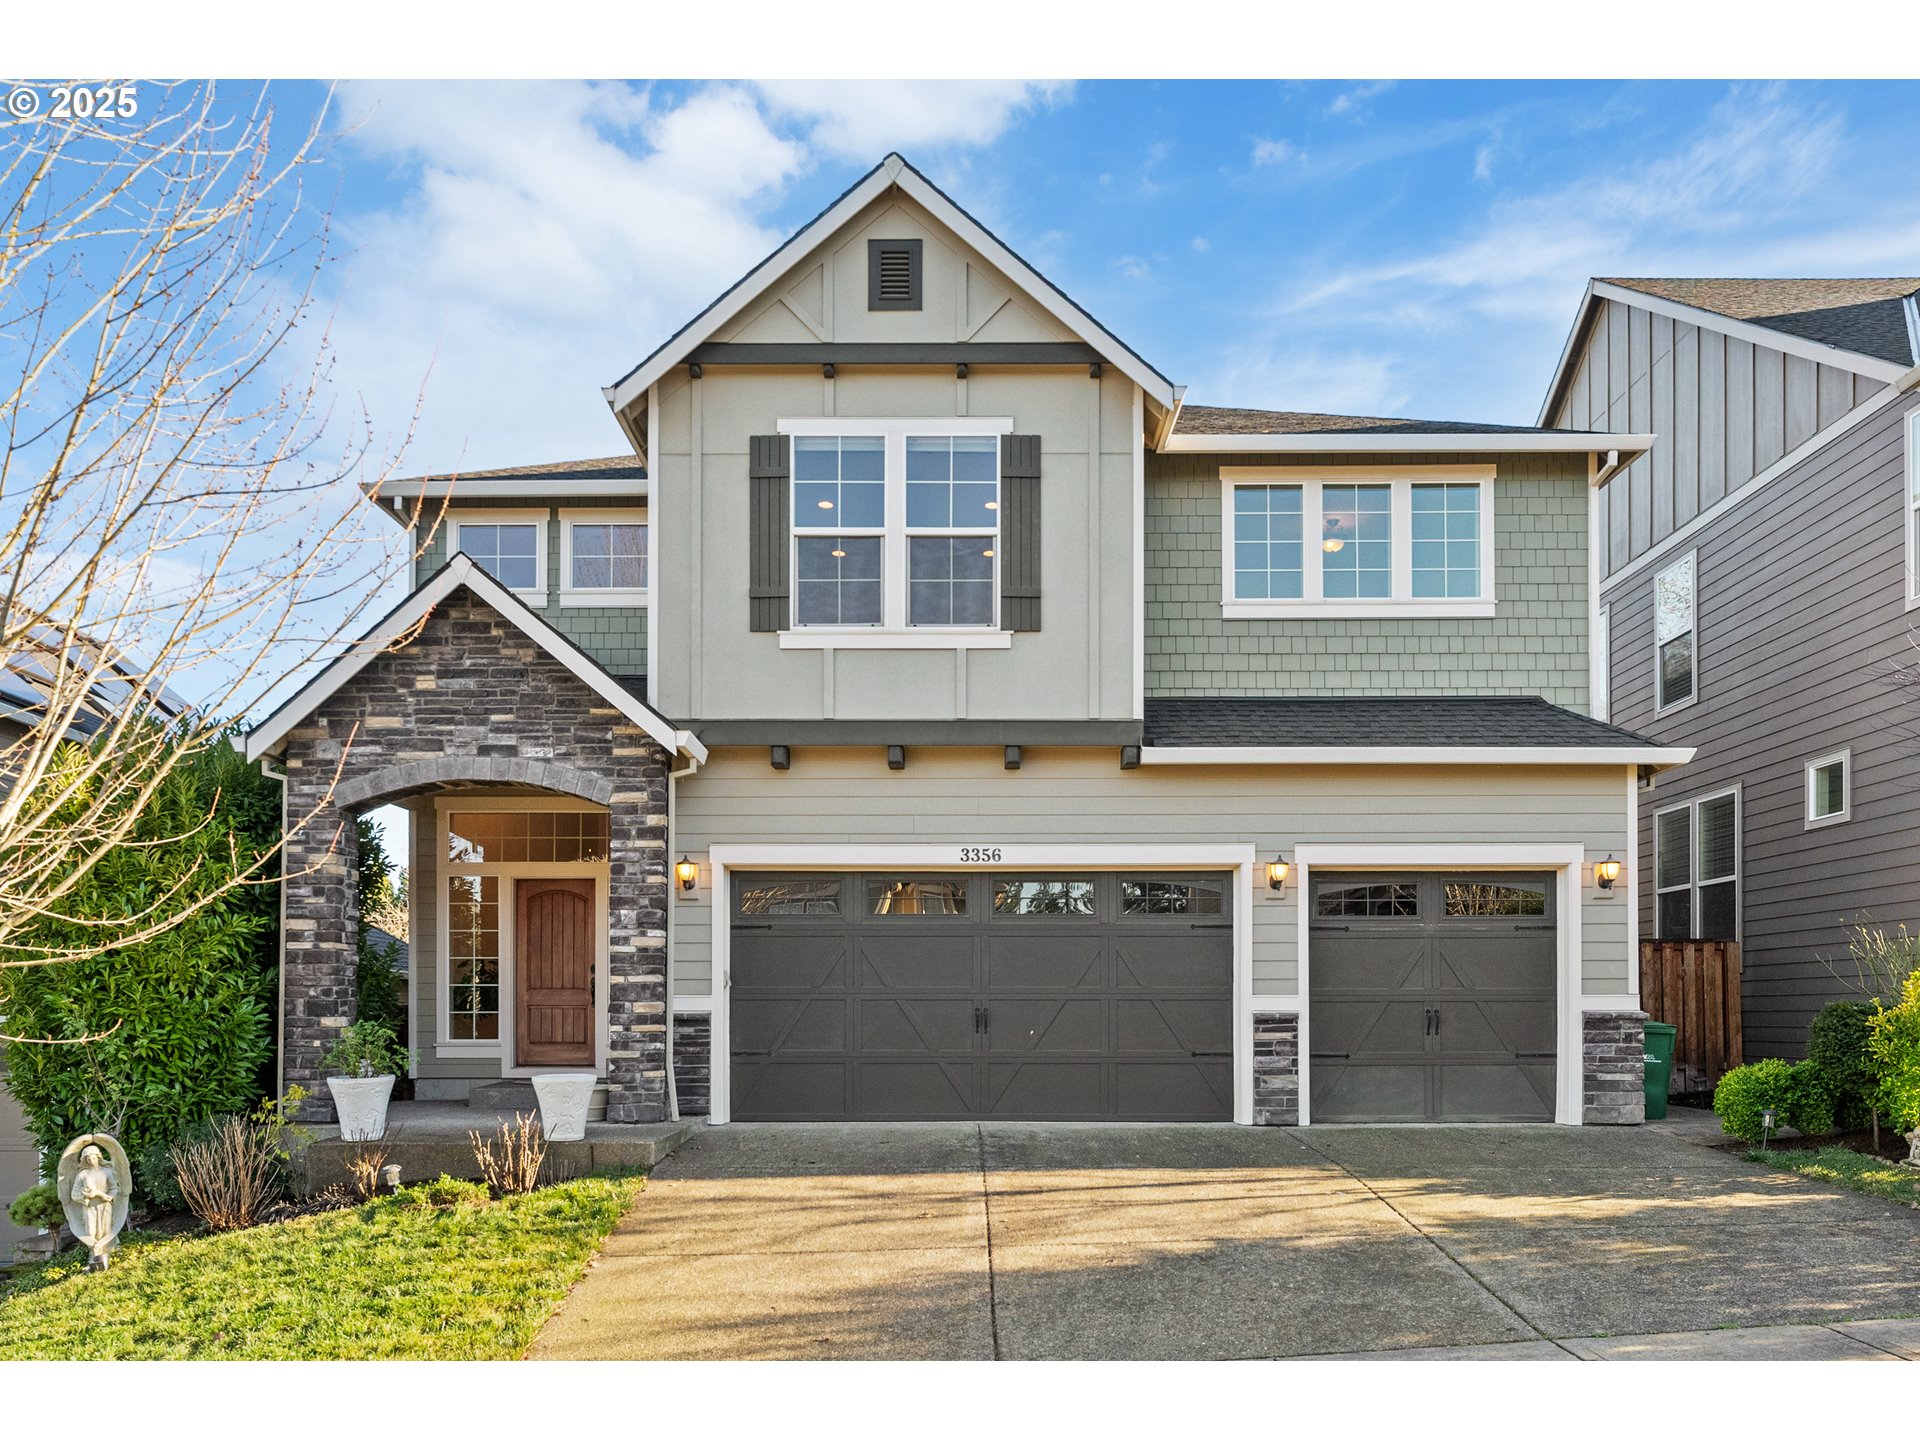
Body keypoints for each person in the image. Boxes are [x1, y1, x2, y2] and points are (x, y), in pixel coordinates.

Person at [68, 1144, 120, 1270]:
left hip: (105, 1206)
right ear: (85, 1160)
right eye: (88, 1159)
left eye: (93, 1158)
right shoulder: (82, 1175)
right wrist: (85, 1197)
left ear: (98, 1157)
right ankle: (94, 1258)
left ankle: (108, 1255)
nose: (91, 1161)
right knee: (91, 1232)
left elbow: (114, 1188)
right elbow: (74, 1194)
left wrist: (109, 1196)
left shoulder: (107, 1172)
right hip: (90, 1208)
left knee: (106, 1231)